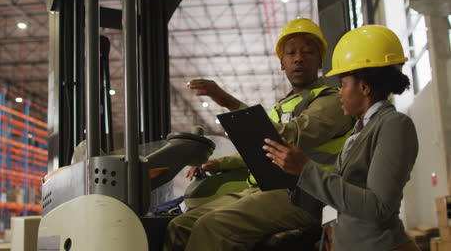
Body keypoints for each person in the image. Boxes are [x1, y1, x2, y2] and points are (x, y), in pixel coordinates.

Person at [163, 18, 355, 251]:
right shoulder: (281, 107)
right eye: (291, 53)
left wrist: (229, 102)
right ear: (282, 63)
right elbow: (263, 150)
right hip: (265, 189)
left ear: (320, 60)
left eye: (308, 52)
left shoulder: (331, 101)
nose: (298, 58)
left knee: (211, 226)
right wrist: (218, 163)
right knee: (181, 224)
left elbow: (289, 137)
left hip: (305, 194)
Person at [263, 25, 420, 251]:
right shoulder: (356, 135)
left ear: (364, 87)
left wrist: (306, 170)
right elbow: (337, 198)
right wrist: (327, 224)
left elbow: (379, 208)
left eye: (343, 84)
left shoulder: (394, 126)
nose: (339, 92)